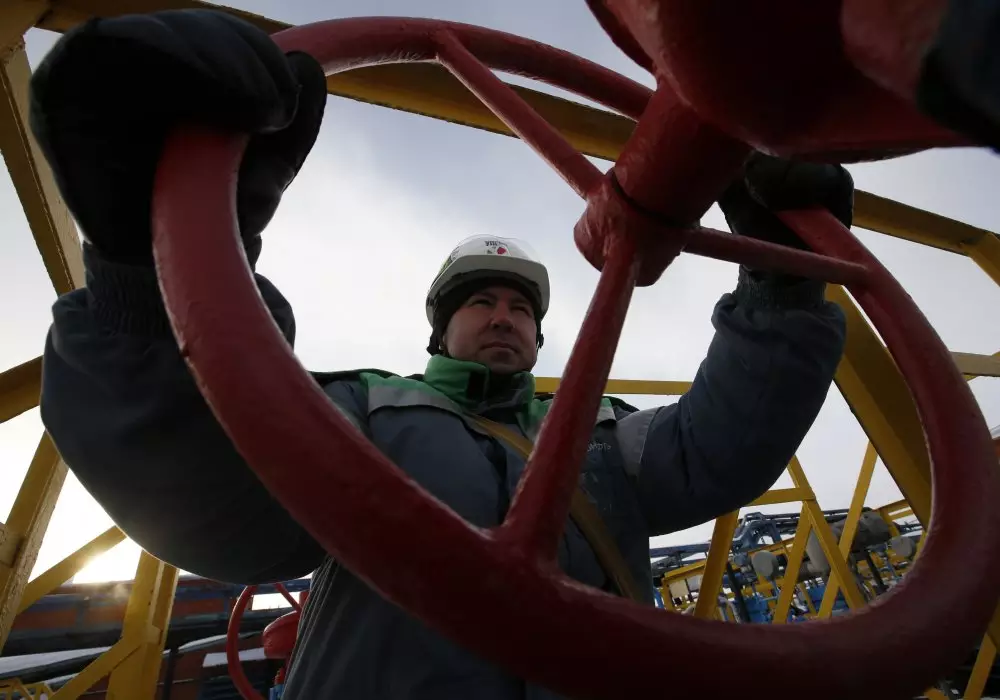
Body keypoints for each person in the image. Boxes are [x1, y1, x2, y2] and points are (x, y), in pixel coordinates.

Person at [32, 9, 850, 700]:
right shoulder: (363, 413)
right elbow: (216, 501)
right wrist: (151, 274)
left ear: (540, 337)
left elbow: (719, 447)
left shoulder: (604, 437)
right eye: (482, 303)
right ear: (439, 333)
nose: (504, 318)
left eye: (521, 309)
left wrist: (780, 292)